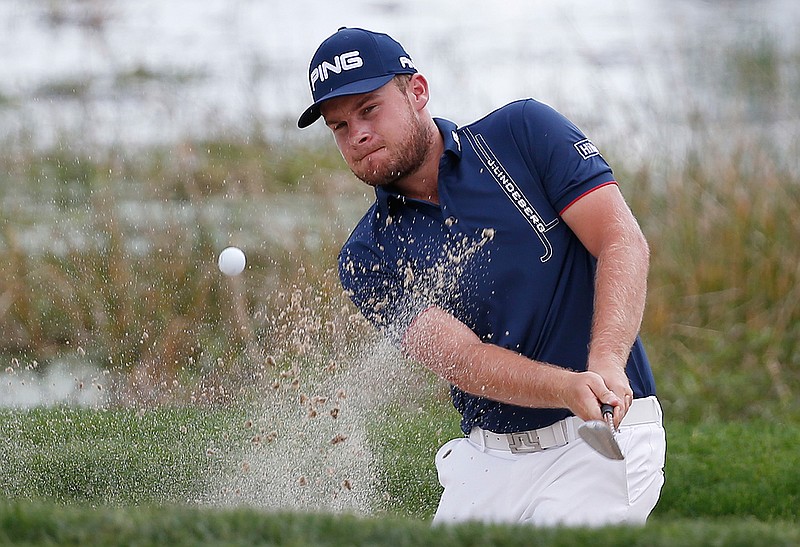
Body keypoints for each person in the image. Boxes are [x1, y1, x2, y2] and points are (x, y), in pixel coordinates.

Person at [298, 27, 666, 527]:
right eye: (339, 126)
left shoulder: (521, 134)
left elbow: (620, 241)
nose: (356, 134)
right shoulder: (368, 255)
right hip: (488, 463)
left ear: (417, 91)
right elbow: (463, 359)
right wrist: (565, 386)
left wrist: (605, 360)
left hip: (601, 442)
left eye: (369, 108)